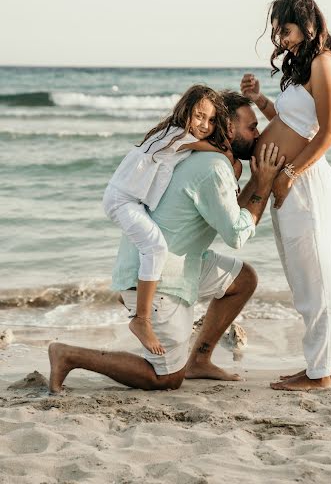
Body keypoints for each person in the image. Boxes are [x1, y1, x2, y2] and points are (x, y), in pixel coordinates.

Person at [48, 92, 284, 393]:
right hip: (159, 280)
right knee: (166, 379)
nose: (258, 134)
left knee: (243, 278)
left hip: (180, 265)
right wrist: (262, 183)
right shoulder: (212, 166)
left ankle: (199, 361)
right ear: (230, 128)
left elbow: (227, 213)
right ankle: (68, 355)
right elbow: (236, 234)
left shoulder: (207, 159)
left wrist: (253, 179)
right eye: (252, 127)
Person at [241, 0, 331, 391]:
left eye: (284, 30)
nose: (280, 39)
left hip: (305, 182)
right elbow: (290, 121)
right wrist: (260, 101)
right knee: (311, 279)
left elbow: (328, 132)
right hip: (292, 181)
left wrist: (287, 172)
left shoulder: (324, 62)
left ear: (306, 23)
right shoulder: (305, 64)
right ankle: (328, 366)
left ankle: (318, 373)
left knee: (313, 280)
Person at [103, 85, 237, 355]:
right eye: (199, 116)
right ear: (185, 111)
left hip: (132, 201)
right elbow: (205, 147)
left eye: (211, 120)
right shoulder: (177, 134)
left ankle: (129, 294)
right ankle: (141, 319)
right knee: (156, 248)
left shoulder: (174, 135)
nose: (204, 125)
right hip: (122, 201)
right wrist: (225, 153)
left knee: (149, 246)